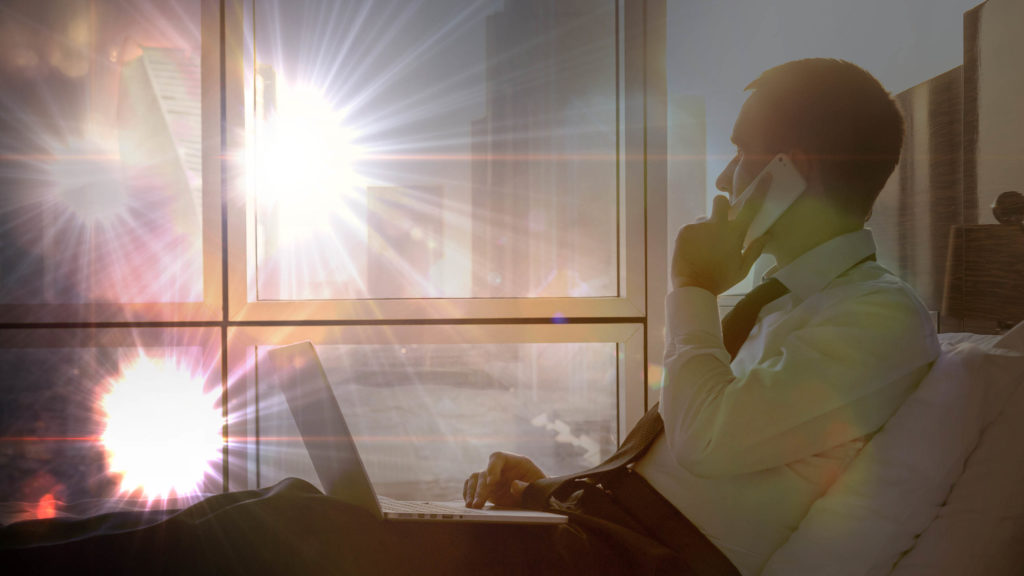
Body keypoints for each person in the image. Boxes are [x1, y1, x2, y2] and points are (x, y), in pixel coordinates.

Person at [463, 58, 940, 575]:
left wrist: (693, 287)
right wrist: (549, 492)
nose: (722, 176)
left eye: (739, 151)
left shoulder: (878, 315)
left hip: (646, 559)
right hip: (602, 537)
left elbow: (706, 443)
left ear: (794, 171)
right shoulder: (776, 299)